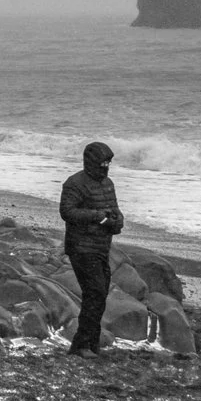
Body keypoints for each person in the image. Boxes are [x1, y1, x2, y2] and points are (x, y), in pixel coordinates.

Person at [58, 141, 124, 356]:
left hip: (101, 247)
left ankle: (88, 343)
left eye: (108, 162)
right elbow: (67, 212)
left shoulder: (108, 184)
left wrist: (117, 220)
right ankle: (82, 345)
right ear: (91, 162)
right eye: (103, 162)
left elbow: (113, 209)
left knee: (99, 294)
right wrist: (97, 217)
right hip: (81, 247)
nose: (106, 166)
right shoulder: (75, 184)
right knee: (94, 293)